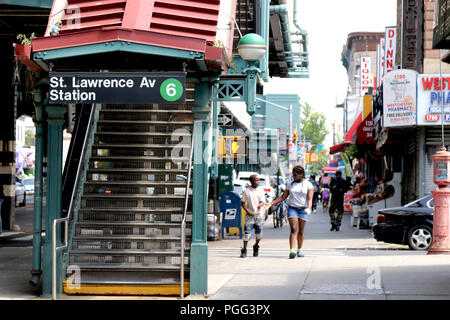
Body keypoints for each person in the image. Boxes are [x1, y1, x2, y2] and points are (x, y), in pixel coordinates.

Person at [268, 165, 313, 259]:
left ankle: (299, 250)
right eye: (293, 174)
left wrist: (309, 208)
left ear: (301, 174)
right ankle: (292, 250)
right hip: (292, 208)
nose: (294, 176)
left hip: (303, 209)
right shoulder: (290, 184)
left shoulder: (308, 184)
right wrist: (271, 203)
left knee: (300, 231)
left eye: (295, 175)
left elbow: (309, 198)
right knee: (293, 229)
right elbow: (283, 197)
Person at [240, 174, 266, 258]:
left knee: (259, 234)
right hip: (249, 215)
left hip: (259, 215)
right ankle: (244, 249)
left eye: (259, 180)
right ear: (251, 181)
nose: (258, 182)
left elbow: (263, 201)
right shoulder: (247, 191)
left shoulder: (261, 190)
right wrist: (248, 211)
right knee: (247, 233)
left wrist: (260, 205)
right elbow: (242, 203)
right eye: (256, 180)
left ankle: (256, 246)